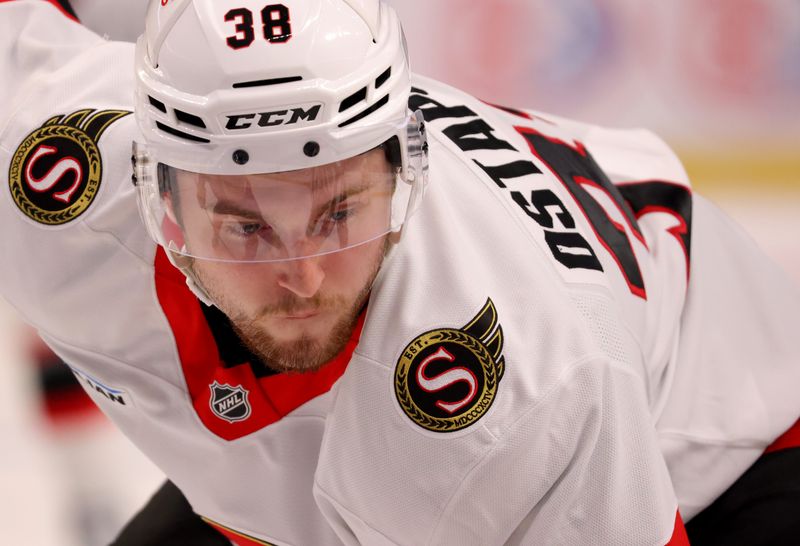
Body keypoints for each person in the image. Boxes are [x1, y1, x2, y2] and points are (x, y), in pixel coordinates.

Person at [2, 1, 799, 544]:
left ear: (402, 167)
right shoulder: (47, 166)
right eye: (245, 226)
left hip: (726, 451)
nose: (304, 279)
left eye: (339, 212)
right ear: (155, 195)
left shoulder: (532, 381)